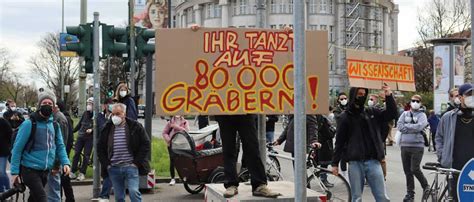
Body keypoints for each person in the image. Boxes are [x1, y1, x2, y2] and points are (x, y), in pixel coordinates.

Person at [332, 84, 396, 202]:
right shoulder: (345, 117)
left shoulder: (371, 112)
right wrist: (335, 163)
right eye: (359, 94)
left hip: (373, 161)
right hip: (355, 163)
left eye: (364, 94)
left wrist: (389, 96)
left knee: (382, 197)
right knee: (356, 198)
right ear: (353, 95)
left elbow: (391, 114)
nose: (362, 97)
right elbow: (339, 142)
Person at [10, 90, 71, 202]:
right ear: (39, 106)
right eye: (44, 104)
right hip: (29, 170)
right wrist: (14, 173)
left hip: (45, 171)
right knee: (42, 198)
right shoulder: (29, 124)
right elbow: (17, 149)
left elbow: (60, 146)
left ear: (53, 107)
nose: (47, 106)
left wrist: (65, 162)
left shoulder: (55, 125)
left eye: (50, 104)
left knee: (34, 199)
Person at [215, 114, 280, 198]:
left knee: (252, 147)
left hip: (245, 111)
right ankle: (231, 184)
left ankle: (259, 185)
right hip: (225, 112)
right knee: (228, 149)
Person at [98, 103, 151, 202]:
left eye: (118, 114)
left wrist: (136, 163)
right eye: (113, 114)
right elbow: (100, 148)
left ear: (124, 114)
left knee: (133, 192)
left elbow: (145, 144)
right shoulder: (107, 128)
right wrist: (107, 165)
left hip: (130, 167)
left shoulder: (135, 126)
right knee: (119, 197)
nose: (115, 117)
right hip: (114, 168)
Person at [436, 83, 474, 200]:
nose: (471, 97)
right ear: (461, 97)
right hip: (455, 167)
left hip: (472, 167)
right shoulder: (448, 117)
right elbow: (439, 137)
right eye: (469, 94)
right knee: (456, 197)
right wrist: (443, 156)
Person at [397, 94, 429, 201]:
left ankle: (425, 186)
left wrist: (408, 126)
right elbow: (399, 126)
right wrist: (412, 128)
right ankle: (410, 193)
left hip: (417, 146)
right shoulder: (405, 113)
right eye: (413, 100)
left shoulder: (422, 115)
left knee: (414, 169)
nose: (415, 102)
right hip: (404, 146)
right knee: (407, 171)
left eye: (417, 101)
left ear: (420, 103)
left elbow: (421, 126)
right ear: (410, 102)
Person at [46, 102, 71, 202]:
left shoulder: (59, 119)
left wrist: (57, 163)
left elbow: (61, 143)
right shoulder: (54, 118)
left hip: (55, 161)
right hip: (52, 160)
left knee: (54, 191)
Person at [70, 97, 94, 181]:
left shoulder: (96, 114)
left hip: (89, 139)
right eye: (88, 103)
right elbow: (80, 124)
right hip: (80, 137)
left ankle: (82, 173)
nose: (88, 105)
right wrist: (72, 131)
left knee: (86, 156)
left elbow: (98, 126)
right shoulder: (85, 113)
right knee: (76, 153)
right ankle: (73, 171)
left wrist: (92, 130)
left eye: (90, 104)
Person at [56, 100, 75, 202]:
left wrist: (63, 156)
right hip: (64, 153)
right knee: (65, 180)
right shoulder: (66, 118)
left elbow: (64, 139)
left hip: (62, 154)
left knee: (62, 180)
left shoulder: (62, 119)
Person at [162, 115, 189, 186]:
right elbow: (164, 133)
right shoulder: (170, 123)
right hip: (172, 145)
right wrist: (169, 140)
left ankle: (183, 177)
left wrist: (175, 127)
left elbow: (186, 131)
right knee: (172, 161)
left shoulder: (185, 122)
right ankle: (172, 178)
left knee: (182, 160)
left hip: (181, 144)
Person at [0, 117, 12, 193]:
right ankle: (1, 190)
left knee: (2, 172)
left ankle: (8, 190)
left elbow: (11, 135)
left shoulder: (3, 122)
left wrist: (7, 145)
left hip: (3, 151)